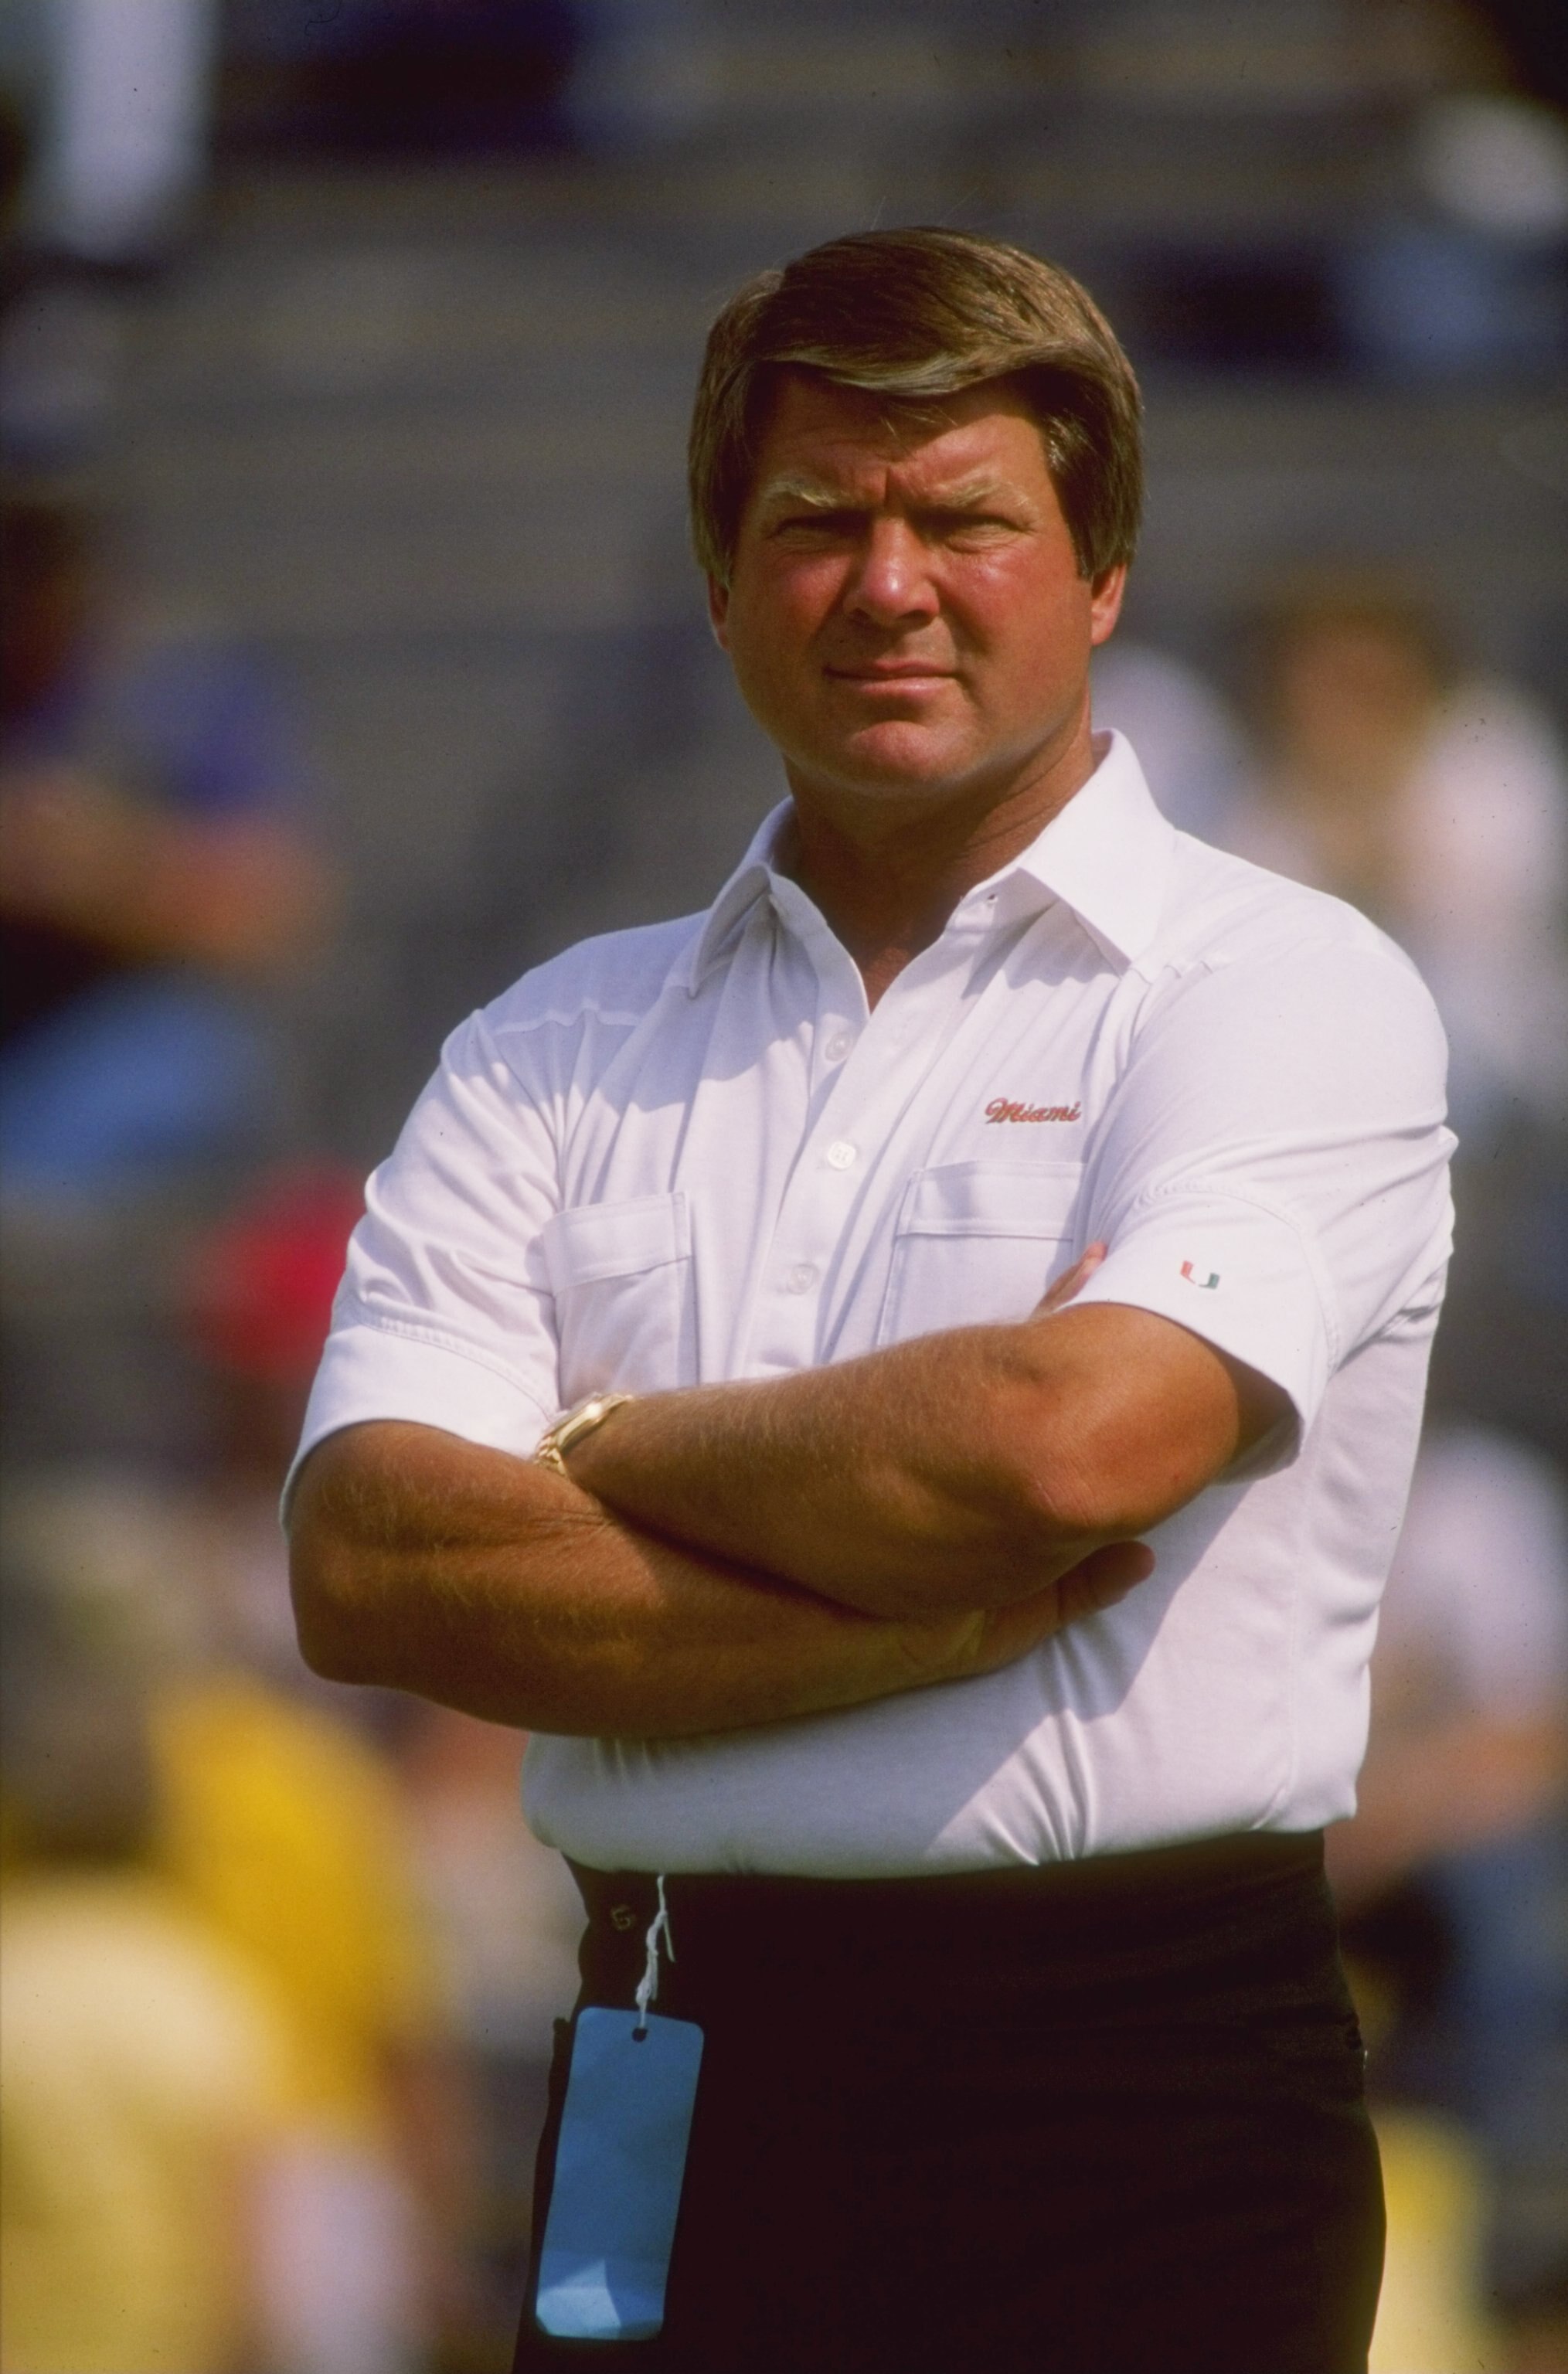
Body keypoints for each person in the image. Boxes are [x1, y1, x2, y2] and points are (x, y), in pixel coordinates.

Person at [286, 228, 1454, 2374]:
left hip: (1133, 2082)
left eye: (966, 519)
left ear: (1099, 572)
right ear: (723, 583)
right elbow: (368, 1562)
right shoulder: (553, 1036)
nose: (887, 581)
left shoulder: (1279, 986)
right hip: (661, 2044)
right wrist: (917, 1606)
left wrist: (593, 1454)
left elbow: (1063, 1446)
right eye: (816, 520)